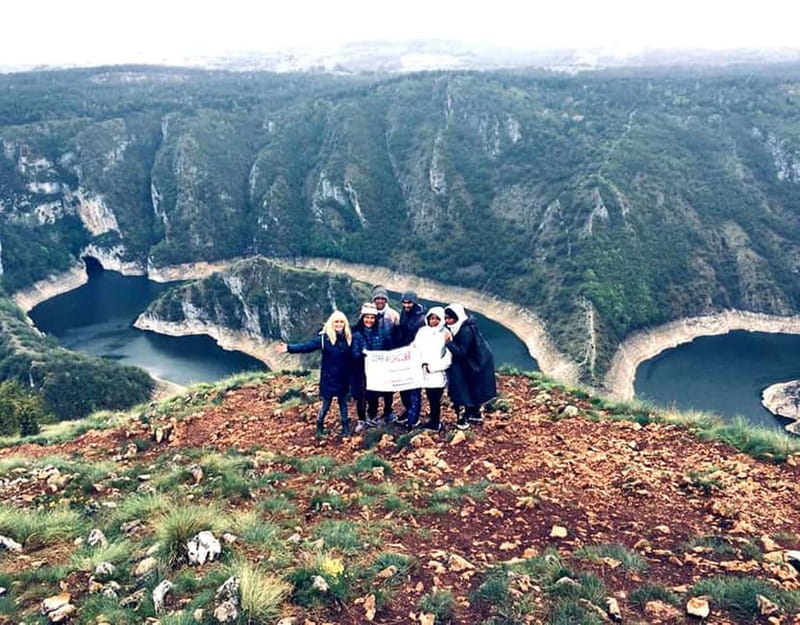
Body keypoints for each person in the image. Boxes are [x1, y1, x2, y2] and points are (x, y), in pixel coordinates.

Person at [284, 310, 353, 438]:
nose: (339, 324)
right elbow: (307, 346)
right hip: (329, 379)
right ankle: (320, 425)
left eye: (341, 322)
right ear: (331, 323)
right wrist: (289, 348)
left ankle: (345, 427)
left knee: (343, 403)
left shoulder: (348, 338)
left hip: (343, 378)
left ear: (345, 324)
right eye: (336, 322)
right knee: (326, 404)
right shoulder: (324, 339)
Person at [443, 303, 497, 430]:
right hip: (475, 361)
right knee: (473, 386)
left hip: (476, 362)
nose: (447, 321)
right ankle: (475, 414)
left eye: (450, 318)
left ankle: (466, 416)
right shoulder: (462, 326)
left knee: (466, 387)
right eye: (446, 318)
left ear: (457, 317)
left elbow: (462, 352)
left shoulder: (465, 330)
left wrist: (449, 343)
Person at [350, 302, 393, 433]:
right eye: (366, 317)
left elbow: (386, 348)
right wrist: (363, 355)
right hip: (361, 371)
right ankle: (362, 420)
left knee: (373, 395)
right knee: (361, 396)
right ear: (362, 318)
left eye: (372, 317)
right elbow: (354, 353)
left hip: (376, 370)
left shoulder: (380, 332)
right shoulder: (356, 334)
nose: (369, 320)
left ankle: (372, 417)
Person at [411, 306, 452, 432]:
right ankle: (431, 421)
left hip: (437, 374)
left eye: (437, 319)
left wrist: (433, 368)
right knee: (429, 396)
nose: (434, 321)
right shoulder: (422, 331)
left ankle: (435, 423)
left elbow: (448, 358)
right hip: (423, 373)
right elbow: (415, 347)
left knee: (435, 399)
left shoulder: (446, 334)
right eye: (431, 318)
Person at [394, 290, 427, 428]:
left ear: (415, 302)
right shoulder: (404, 313)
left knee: (413, 389)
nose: (406, 305)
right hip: (404, 356)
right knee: (404, 387)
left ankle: (413, 420)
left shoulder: (421, 319)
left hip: (415, 357)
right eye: (404, 302)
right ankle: (408, 411)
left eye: (409, 302)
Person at [371, 285, 400, 421]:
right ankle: (372, 413)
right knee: (373, 385)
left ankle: (388, 410)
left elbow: (399, 334)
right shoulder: (368, 313)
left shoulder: (393, 315)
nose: (380, 301)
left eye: (382, 298)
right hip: (373, 356)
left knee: (389, 385)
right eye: (377, 298)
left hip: (389, 355)